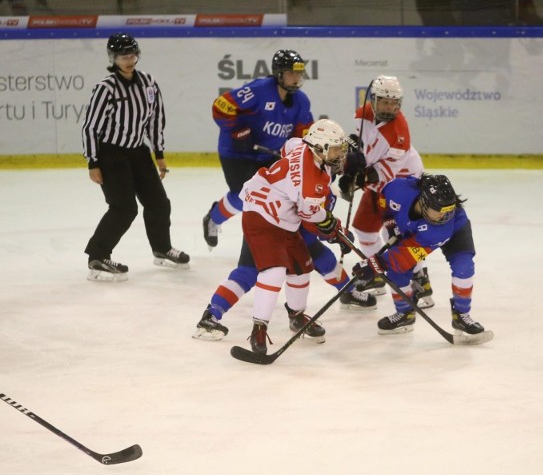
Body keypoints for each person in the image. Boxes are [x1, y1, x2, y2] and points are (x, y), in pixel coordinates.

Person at [233, 119, 347, 354]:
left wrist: (332, 226)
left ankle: (296, 317)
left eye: (340, 148)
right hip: (260, 215)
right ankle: (259, 329)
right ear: (319, 148)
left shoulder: (302, 145)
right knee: (274, 271)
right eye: (335, 149)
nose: (339, 153)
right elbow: (310, 215)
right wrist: (334, 228)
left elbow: (289, 146)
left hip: (283, 217)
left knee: (301, 267)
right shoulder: (311, 182)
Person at [81, 33, 189, 282]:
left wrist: (159, 154)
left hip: (138, 153)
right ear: (113, 58)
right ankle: (97, 256)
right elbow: (90, 127)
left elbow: (155, 120)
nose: (129, 60)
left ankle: (162, 248)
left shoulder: (148, 83)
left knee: (159, 203)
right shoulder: (106, 88)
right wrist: (93, 162)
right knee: (123, 208)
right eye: (123, 56)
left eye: (132, 54)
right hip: (111, 155)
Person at [192, 201, 377, 342]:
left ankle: (346, 293)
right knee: (248, 273)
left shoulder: (318, 170)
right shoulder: (307, 173)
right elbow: (309, 218)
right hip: (271, 230)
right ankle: (211, 316)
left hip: (272, 225)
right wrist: (335, 232)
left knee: (323, 258)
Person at [202, 49, 314, 250]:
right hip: (237, 152)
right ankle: (213, 217)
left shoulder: (302, 102)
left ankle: (278, 240)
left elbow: (302, 135)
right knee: (242, 195)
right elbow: (221, 106)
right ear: (279, 73)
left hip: (268, 154)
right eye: (291, 73)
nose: (296, 78)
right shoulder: (259, 90)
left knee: (280, 195)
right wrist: (237, 131)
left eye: (299, 73)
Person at [352, 173, 487, 336]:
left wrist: (374, 265)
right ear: (424, 202)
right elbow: (384, 201)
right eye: (439, 211)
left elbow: (404, 257)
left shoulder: (439, 229)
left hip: (456, 228)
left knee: (464, 267)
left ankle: (461, 315)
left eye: (448, 209)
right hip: (416, 228)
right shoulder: (397, 189)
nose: (444, 215)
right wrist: (390, 223)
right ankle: (405, 314)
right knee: (396, 273)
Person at [338, 75, 433, 307]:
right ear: (373, 99)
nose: (389, 108)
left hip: (403, 183)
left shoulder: (399, 134)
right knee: (364, 229)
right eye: (384, 102)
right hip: (379, 182)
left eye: (394, 103)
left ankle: (421, 281)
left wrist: (354, 178)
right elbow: (362, 148)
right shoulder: (362, 114)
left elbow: (381, 173)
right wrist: (351, 170)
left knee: (400, 236)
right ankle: (380, 275)